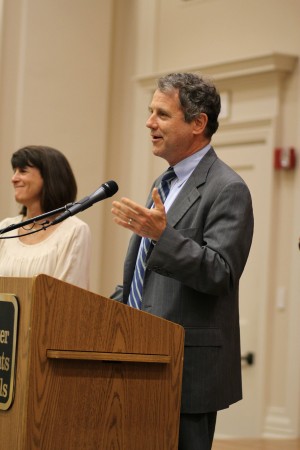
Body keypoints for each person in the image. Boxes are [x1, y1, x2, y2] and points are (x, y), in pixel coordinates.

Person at [111, 73, 254, 450]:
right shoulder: (165, 183)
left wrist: (163, 236)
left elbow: (220, 272)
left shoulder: (228, 188)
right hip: (140, 357)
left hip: (187, 369)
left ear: (198, 123)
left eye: (161, 114)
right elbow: (145, 275)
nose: (149, 123)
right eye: (149, 112)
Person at [0, 145, 91, 289]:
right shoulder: (5, 228)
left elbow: (68, 297)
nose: (14, 179)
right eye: (14, 171)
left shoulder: (74, 230)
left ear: (49, 177)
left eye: (23, 171)